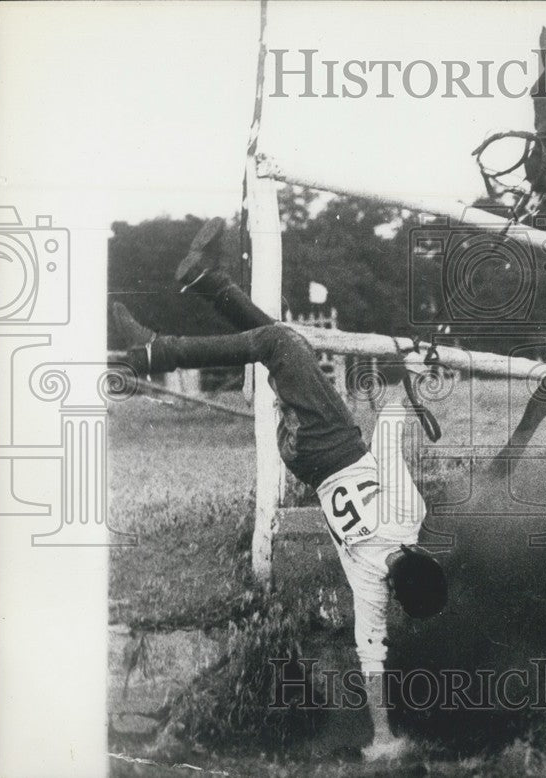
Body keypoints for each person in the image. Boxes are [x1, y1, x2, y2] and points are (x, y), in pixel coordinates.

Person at [112, 217, 447, 762]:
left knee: (279, 343)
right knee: (282, 344)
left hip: (330, 441)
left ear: (419, 551)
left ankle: (157, 352)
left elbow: (388, 423)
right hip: (303, 459)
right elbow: (372, 656)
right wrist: (383, 737)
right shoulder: (369, 585)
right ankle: (208, 283)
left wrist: (408, 373)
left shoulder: (410, 515)